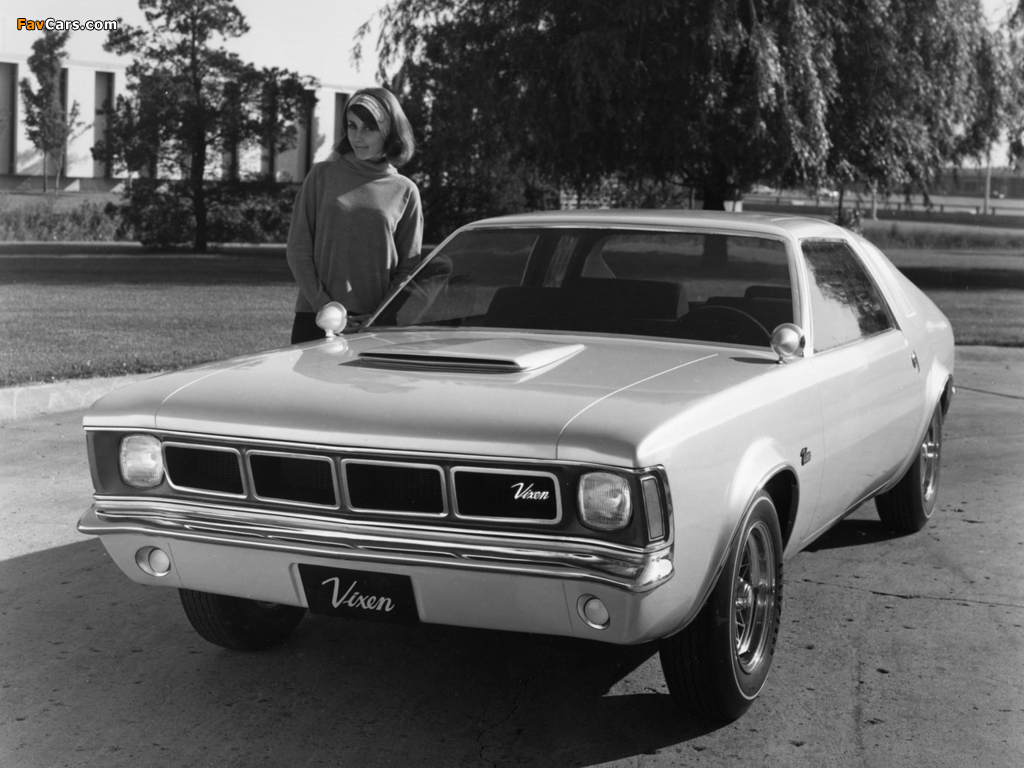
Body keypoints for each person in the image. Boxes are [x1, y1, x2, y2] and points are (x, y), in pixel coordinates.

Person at [286, 87, 422, 343]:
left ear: (389, 130)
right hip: (316, 316)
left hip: (374, 324)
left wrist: (380, 315)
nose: (358, 137)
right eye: (352, 126)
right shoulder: (321, 175)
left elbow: (408, 268)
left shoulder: (405, 190)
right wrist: (323, 306)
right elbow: (298, 249)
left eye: (369, 128)